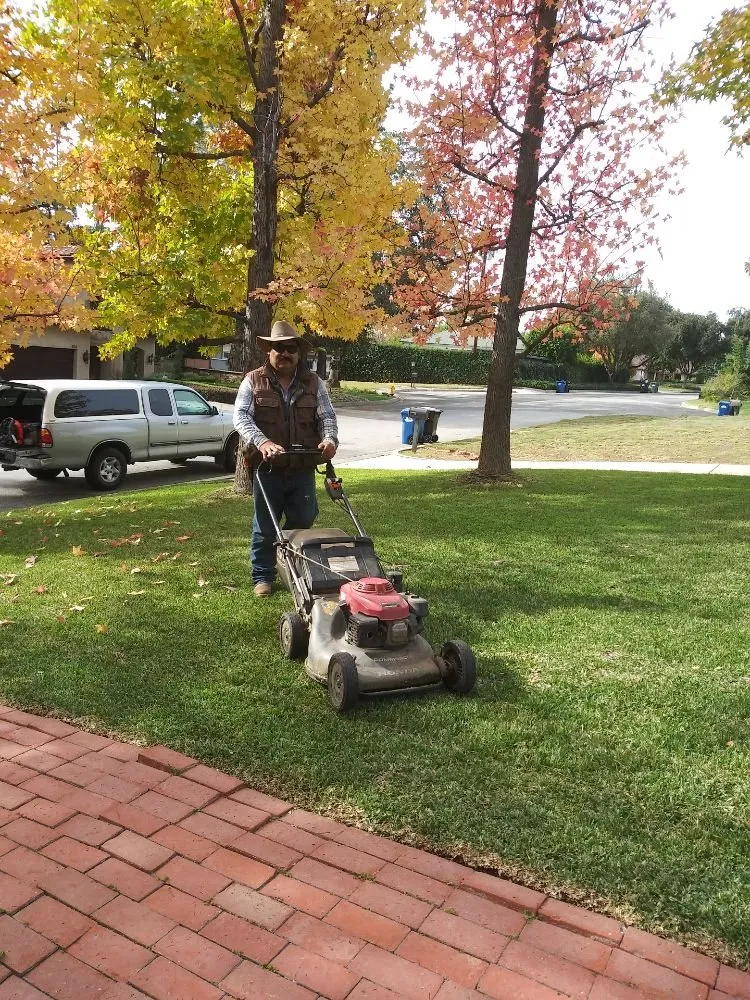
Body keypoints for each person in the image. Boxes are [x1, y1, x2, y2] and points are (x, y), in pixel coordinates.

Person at [233, 320, 338, 597]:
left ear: (299, 353)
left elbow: (326, 417)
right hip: (267, 469)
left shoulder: (315, 383)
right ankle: (263, 576)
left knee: (303, 521)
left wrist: (329, 440)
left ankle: (290, 565)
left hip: (303, 467)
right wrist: (263, 442)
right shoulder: (252, 380)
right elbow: (241, 417)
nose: (285, 353)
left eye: (290, 348)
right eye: (279, 348)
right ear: (269, 351)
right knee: (265, 526)